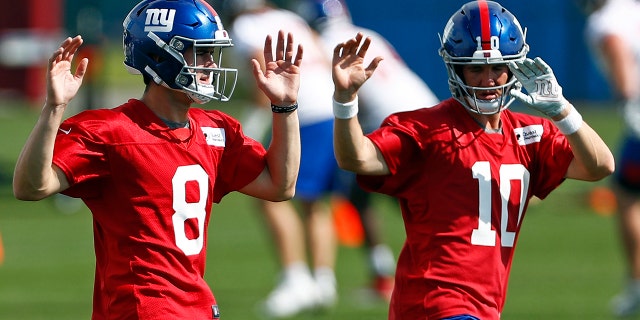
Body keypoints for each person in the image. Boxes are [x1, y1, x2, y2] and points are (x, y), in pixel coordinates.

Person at [12, 0, 303, 318]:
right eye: (201, 51)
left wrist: (285, 107)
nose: (210, 64)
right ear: (161, 56)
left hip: (198, 306)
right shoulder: (110, 131)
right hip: (142, 308)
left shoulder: (215, 129)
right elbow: (31, 187)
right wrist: (53, 108)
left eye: (211, 52)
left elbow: (280, 185)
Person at [330, 1, 615, 319]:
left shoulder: (530, 133)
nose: (488, 80)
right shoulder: (427, 128)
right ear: (456, 68)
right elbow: (357, 159)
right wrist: (345, 100)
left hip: (483, 305)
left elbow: (600, 166)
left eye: (497, 68)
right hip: (436, 301)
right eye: (475, 68)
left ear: (514, 66)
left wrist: (563, 111)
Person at [293, 0, 440, 301]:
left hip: (394, 123)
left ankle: (403, 274)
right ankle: (393, 272)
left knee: (393, 196)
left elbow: (329, 95)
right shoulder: (366, 32)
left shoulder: (323, 41)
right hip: (429, 111)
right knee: (375, 195)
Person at [224, 0, 339, 317]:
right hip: (328, 109)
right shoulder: (289, 17)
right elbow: (322, 54)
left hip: (301, 113)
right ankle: (323, 281)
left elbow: (263, 74)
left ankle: (296, 279)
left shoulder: (245, 25)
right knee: (315, 202)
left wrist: (251, 126)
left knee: (271, 195)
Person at [581, 0, 640, 316]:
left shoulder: (606, 20)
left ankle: (636, 281)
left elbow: (615, 45)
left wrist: (626, 95)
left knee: (629, 195)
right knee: (627, 192)